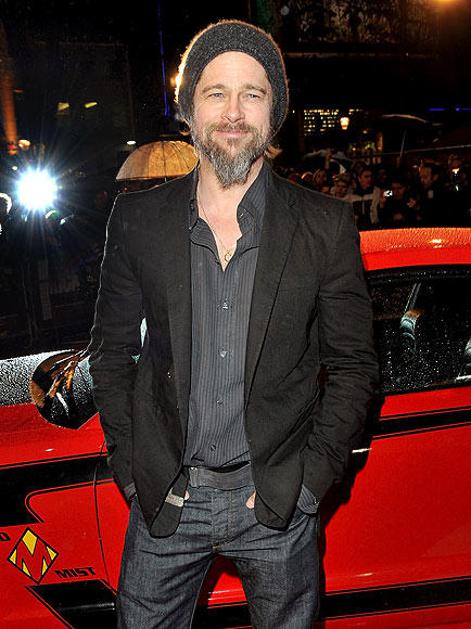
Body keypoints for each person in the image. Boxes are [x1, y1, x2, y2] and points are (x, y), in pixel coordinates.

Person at [88, 19, 378, 629]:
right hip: (168, 500)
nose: (234, 112)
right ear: (189, 108)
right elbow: (111, 354)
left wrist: (308, 484)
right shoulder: (138, 220)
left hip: (275, 499)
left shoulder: (324, 225)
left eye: (253, 93)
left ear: (275, 113)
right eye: (215, 92)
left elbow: (354, 366)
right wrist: (135, 475)